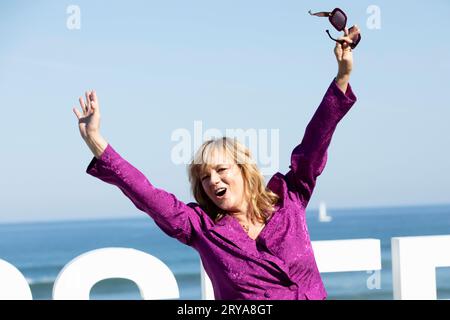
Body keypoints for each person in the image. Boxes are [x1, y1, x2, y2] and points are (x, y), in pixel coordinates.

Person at [72, 28, 358, 300]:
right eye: (204, 177)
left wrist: (341, 78)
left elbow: (314, 143)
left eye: (221, 170)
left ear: (244, 170)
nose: (213, 181)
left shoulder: (289, 197)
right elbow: (147, 195)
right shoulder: (201, 227)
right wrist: (96, 142)